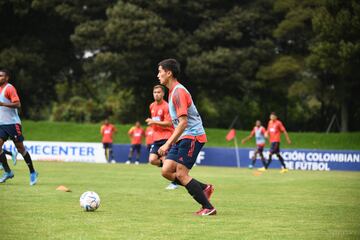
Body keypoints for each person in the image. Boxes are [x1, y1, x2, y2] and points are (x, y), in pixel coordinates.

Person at [157, 58, 216, 216]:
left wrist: (167, 143)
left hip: (192, 136)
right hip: (182, 137)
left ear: (169, 73)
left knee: (182, 174)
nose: (158, 75)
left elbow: (183, 123)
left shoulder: (178, 92)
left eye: (160, 71)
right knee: (166, 170)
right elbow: (177, 123)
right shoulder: (171, 93)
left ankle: (208, 207)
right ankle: (204, 188)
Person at [0, 69, 38, 185]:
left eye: (1, 76)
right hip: (1, 124)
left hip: (13, 124)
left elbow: (18, 104)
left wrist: (3, 104)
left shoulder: (9, 88)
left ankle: (32, 172)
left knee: (20, 149)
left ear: (7, 78)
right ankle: (8, 172)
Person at [145, 85, 178, 190]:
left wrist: (153, 121)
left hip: (167, 137)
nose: (156, 94)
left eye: (158, 92)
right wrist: (153, 124)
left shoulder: (167, 106)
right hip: (156, 138)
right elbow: (156, 122)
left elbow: (169, 123)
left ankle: (175, 182)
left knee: (165, 160)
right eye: (155, 92)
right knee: (152, 160)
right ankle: (172, 167)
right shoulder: (152, 106)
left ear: (163, 94)